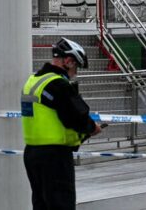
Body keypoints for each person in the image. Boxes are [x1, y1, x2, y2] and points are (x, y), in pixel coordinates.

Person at [21, 37, 102, 210]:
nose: (75, 73)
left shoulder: (33, 81)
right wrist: (92, 128)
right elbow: (76, 116)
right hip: (55, 156)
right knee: (61, 204)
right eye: (76, 67)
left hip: (32, 153)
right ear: (68, 61)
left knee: (41, 204)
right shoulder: (58, 84)